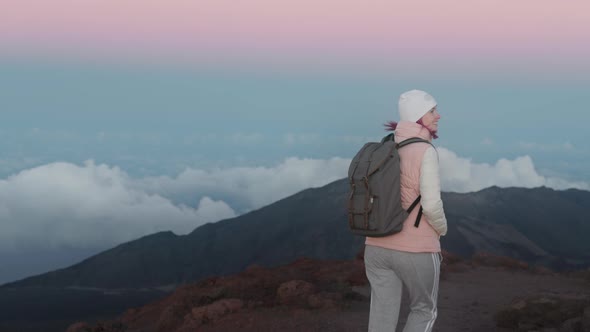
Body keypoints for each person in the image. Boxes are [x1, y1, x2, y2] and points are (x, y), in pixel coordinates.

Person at [364, 89, 448, 332]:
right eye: (433, 110)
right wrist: (441, 229)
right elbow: (431, 205)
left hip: (376, 247)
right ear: (419, 116)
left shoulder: (385, 149)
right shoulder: (425, 151)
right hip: (416, 249)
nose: (438, 115)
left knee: (381, 314)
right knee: (424, 309)